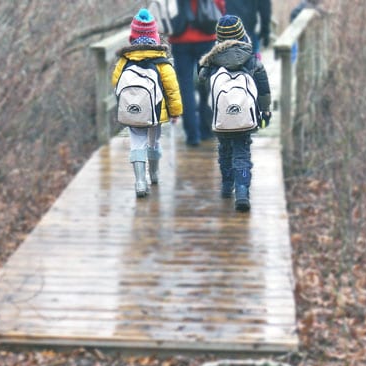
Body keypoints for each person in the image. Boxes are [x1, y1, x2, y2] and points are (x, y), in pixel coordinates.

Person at [197, 14, 271, 211]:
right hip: (245, 117)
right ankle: (242, 190)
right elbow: (263, 89)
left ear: (219, 39)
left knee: (225, 150)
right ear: (242, 35)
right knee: (242, 153)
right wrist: (265, 111)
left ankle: (227, 185)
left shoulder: (211, 63)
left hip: (221, 118)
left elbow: (201, 83)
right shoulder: (253, 61)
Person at [112, 9, 183, 197]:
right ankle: (154, 173)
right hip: (156, 112)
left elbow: (115, 82)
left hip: (132, 112)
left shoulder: (124, 60)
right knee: (153, 141)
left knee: (137, 143)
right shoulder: (162, 62)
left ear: (133, 37)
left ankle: (140, 182)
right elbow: (172, 89)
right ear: (155, 36)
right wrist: (175, 112)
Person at [168, 0, 226, 147]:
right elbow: (220, 5)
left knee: (185, 87)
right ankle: (205, 129)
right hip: (206, 36)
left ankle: (192, 135)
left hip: (180, 37)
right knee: (206, 83)